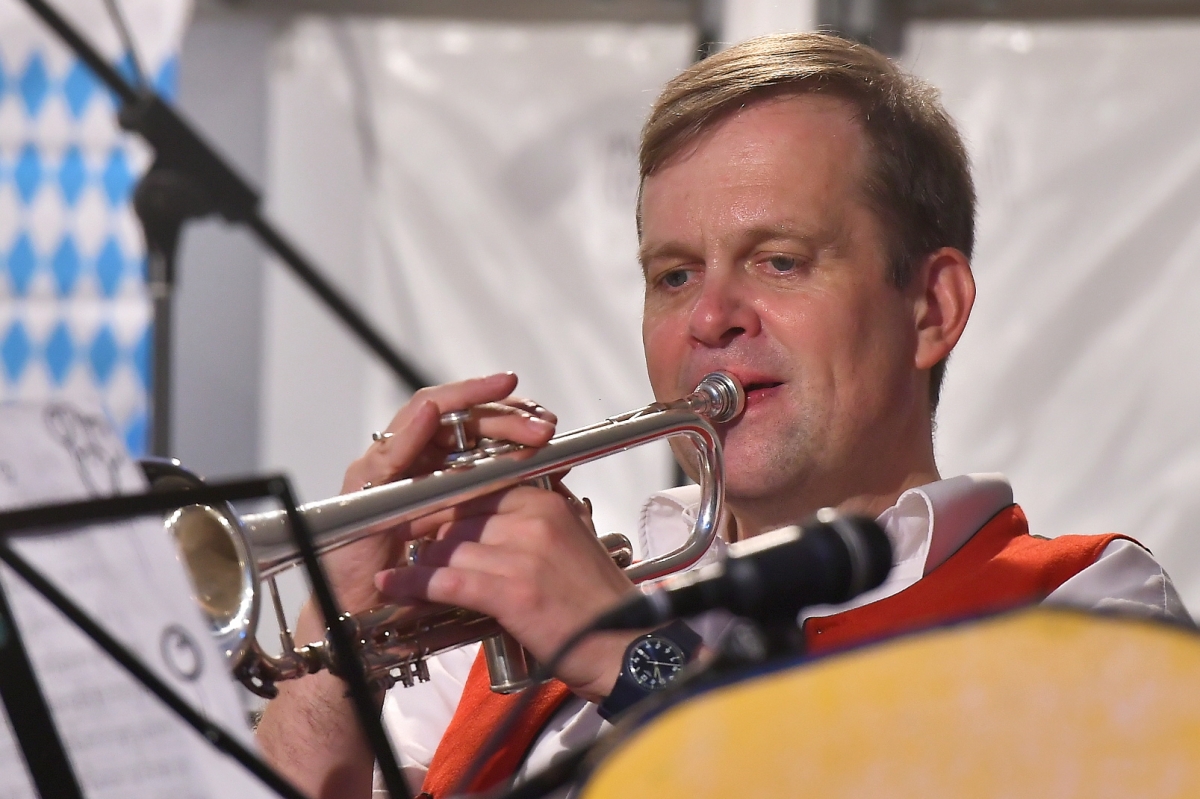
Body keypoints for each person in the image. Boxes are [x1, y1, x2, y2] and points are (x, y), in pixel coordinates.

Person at [257, 32, 1191, 799]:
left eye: (779, 260)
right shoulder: (513, 626)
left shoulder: (1079, 608)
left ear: (930, 309)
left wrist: (632, 659)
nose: (710, 317)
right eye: (674, 275)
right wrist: (339, 631)